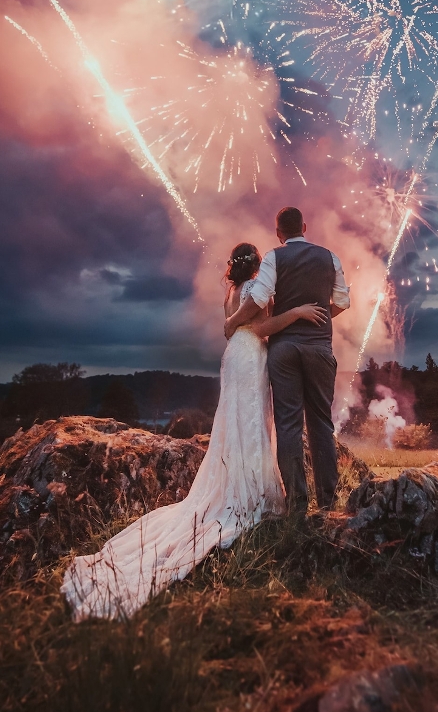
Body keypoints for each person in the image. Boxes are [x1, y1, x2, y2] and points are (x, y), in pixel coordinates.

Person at [61, 241, 326, 620]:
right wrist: (298, 312)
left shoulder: (232, 291)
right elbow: (263, 327)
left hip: (234, 355)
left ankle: (240, 484)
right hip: (251, 355)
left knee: (235, 421)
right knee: (250, 421)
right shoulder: (254, 290)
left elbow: (228, 329)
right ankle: (251, 493)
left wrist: (236, 322)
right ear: (256, 267)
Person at [225, 207, 350, 513]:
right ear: (304, 227)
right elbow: (344, 302)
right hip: (319, 348)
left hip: (283, 350)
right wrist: (318, 318)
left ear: (278, 232)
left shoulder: (274, 257)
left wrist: (232, 322)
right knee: (321, 423)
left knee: (289, 426)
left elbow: (259, 298)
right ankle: (328, 503)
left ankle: (296, 504)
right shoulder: (330, 257)